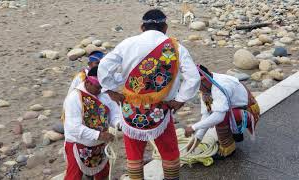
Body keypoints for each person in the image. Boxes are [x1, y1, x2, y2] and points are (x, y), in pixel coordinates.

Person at [98, 9, 200, 180]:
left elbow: (103, 67)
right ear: (165, 27)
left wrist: (109, 89)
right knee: (169, 151)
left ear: (142, 27)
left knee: (134, 155)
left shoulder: (127, 43)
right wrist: (180, 100)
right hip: (161, 110)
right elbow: (193, 77)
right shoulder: (175, 47)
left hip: (131, 109)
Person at [185, 65, 260, 159]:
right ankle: (236, 134)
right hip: (236, 110)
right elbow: (206, 114)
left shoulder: (221, 86)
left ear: (203, 80)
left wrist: (193, 127)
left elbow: (219, 116)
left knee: (220, 117)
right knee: (218, 113)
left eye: (196, 85)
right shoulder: (206, 89)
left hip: (249, 112)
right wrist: (197, 138)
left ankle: (228, 149)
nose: (197, 89)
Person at [63, 67, 123, 180]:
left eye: (101, 87)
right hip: (78, 144)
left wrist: (119, 123)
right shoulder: (74, 98)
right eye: (98, 87)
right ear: (88, 82)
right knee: (74, 176)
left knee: (103, 174)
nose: (100, 90)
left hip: (100, 145)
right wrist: (99, 135)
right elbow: (73, 128)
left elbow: (114, 113)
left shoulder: (103, 93)